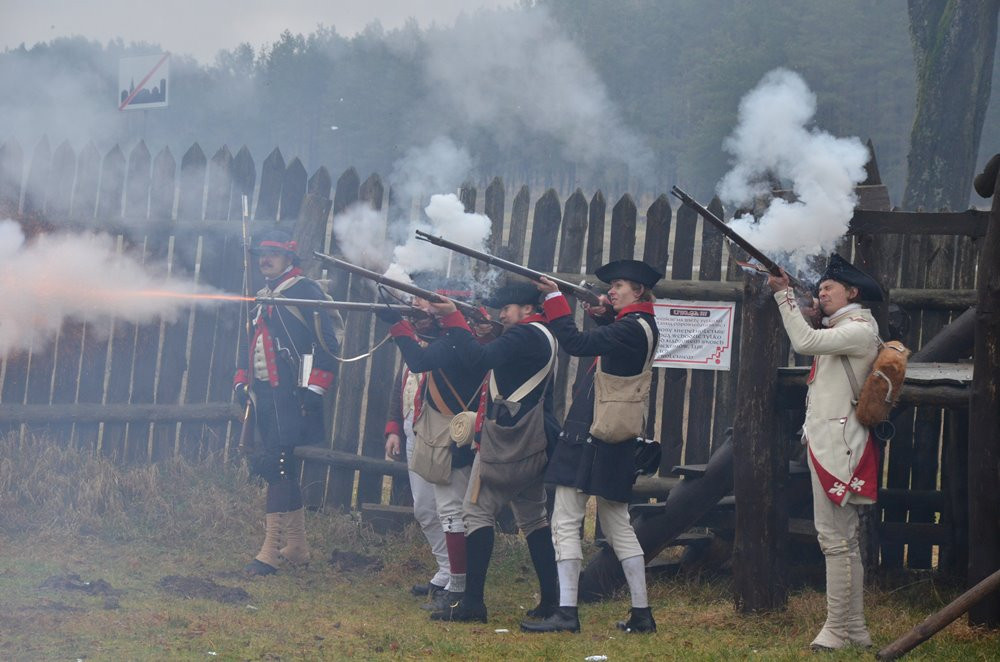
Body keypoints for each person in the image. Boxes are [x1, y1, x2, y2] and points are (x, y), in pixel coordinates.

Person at [520, 260, 662, 635]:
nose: (612, 291)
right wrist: (603, 316)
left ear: (638, 291)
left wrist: (553, 298)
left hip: (590, 434)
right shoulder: (640, 325)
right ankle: (641, 613)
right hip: (612, 436)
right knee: (618, 525)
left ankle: (566, 612)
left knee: (565, 521)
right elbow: (616, 350)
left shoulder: (631, 327)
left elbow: (576, 343)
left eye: (618, 286)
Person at [425, 282, 560, 624]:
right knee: (533, 518)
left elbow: (480, 358)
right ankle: (551, 600)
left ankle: (472, 603)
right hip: (532, 439)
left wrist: (455, 318)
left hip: (508, 442)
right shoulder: (541, 334)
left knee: (475, 512)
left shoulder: (524, 335)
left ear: (527, 310)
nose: (503, 314)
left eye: (508, 308)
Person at [767, 254, 882, 650]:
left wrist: (784, 297)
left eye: (829, 288)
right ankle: (855, 630)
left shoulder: (859, 328)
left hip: (839, 446)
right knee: (840, 540)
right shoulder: (845, 326)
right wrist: (812, 313)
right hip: (829, 442)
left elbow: (805, 341)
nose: (821, 292)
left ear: (852, 292)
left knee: (836, 541)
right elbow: (817, 335)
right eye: (819, 289)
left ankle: (839, 629)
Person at [377, 275, 489, 613]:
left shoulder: (459, 342)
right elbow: (409, 374)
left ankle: (458, 590)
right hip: (435, 433)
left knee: (453, 514)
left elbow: (419, 360)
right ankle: (453, 581)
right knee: (437, 511)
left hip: (454, 437)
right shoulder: (453, 337)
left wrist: (396, 324)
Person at [233, 229, 341, 576]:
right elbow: (250, 342)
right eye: (262, 253)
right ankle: (296, 546)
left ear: (289, 259)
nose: (265, 259)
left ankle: (269, 553)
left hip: (294, 395)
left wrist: (315, 389)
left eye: (273, 254)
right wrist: (242, 379)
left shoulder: (305, 291)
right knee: (284, 467)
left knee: (276, 466)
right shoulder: (264, 294)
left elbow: (327, 344)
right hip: (265, 394)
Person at [384, 334, 451, 605]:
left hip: (438, 433)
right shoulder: (414, 345)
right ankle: (445, 568)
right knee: (424, 508)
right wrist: (394, 429)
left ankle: (457, 576)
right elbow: (399, 388)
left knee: (448, 509)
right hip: (412, 433)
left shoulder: (448, 344)